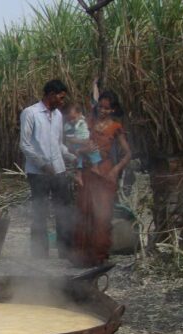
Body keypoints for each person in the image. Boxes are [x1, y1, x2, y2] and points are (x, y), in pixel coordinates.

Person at [70, 83, 132, 267]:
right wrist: (82, 149)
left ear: (113, 109)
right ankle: (81, 256)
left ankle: (99, 254)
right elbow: (74, 142)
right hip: (88, 171)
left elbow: (128, 153)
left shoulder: (115, 127)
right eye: (101, 107)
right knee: (84, 211)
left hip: (105, 173)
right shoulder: (88, 122)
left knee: (102, 213)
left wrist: (115, 170)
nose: (103, 110)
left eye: (107, 108)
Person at [19, 79, 77, 259]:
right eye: (60, 97)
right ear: (51, 94)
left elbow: (59, 145)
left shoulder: (58, 115)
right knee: (40, 213)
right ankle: (39, 254)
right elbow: (25, 145)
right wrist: (43, 164)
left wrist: (73, 158)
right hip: (38, 173)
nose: (62, 101)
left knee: (64, 210)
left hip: (58, 171)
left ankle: (65, 252)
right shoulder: (30, 113)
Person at [63, 102, 102, 186]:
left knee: (94, 150)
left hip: (86, 142)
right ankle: (78, 175)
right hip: (77, 144)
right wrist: (83, 142)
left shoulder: (83, 120)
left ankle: (95, 167)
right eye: (69, 119)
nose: (71, 121)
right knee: (78, 159)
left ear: (80, 114)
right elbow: (71, 139)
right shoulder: (68, 126)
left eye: (73, 118)